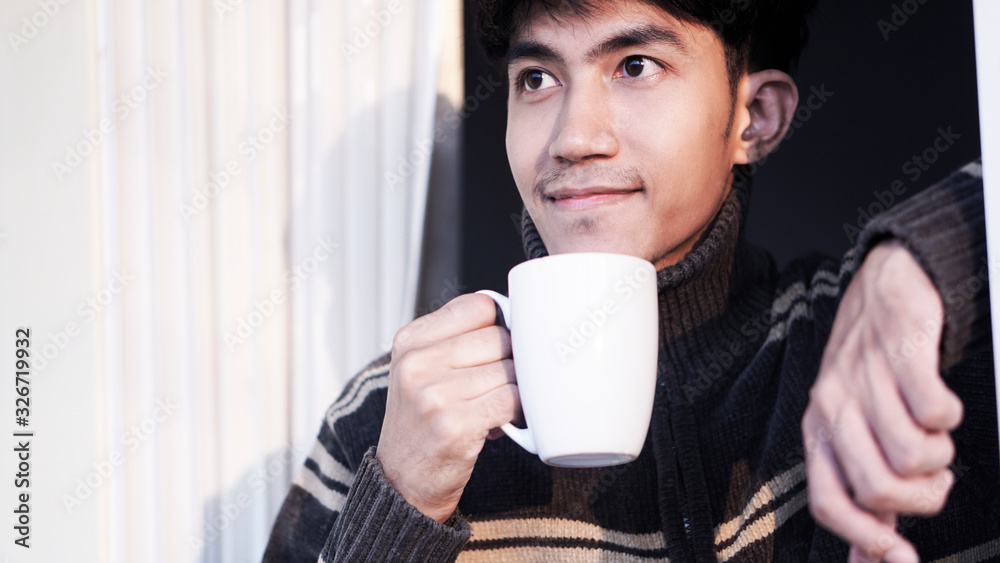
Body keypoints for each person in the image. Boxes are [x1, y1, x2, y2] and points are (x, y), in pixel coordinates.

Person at [264, 0, 999, 561]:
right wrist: (398, 512)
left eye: (636, 65)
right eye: (539, 78)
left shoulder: (904, 343)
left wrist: (930, 252)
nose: (576, 138)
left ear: (756, 117)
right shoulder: (390, 415)